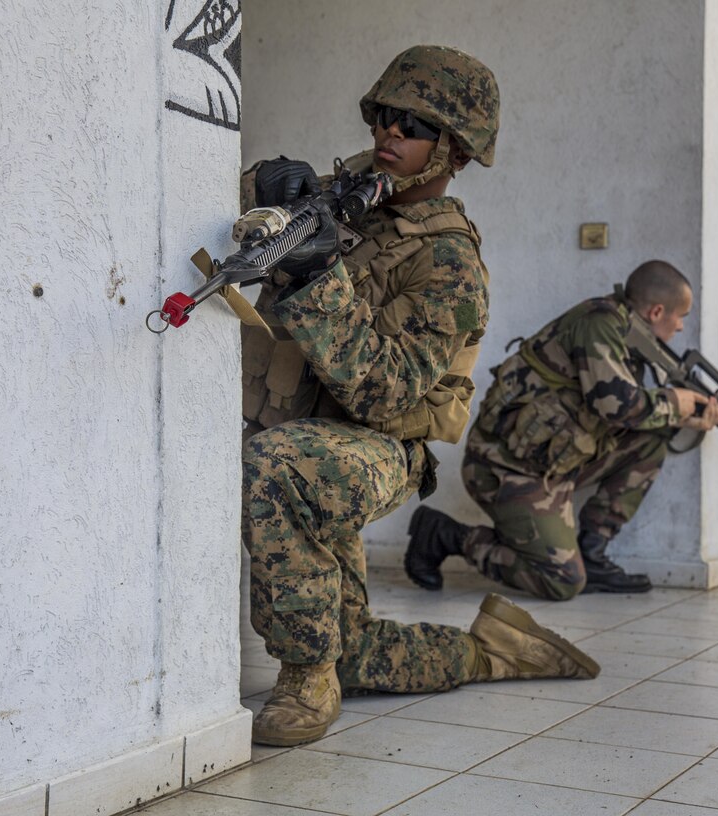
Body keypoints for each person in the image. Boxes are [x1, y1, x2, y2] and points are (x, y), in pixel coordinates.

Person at [240, 45, 599, 749]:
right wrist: (263, 183)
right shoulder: (339, 199)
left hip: (379, 446)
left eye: (413, 125)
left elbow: (385, 390)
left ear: (453, 152)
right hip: (304, 429)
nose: (389, 133)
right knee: (357, 650)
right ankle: (491, 649)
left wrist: (318, 279)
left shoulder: (450, 264)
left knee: (277, 466)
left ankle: (305, 675)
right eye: (385, 116)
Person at [404, 260, 718, 600]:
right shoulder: (600, 323)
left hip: (555, 463)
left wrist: (682, 417)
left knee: (650, 439)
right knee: (563, 581)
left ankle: (592, 553)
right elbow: (614, 405)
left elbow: (622, 412)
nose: (680, 328)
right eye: (680, 318)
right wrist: (679, 403)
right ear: (658, 311)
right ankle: (446, 535)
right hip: (505, 468)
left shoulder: (627, 333)